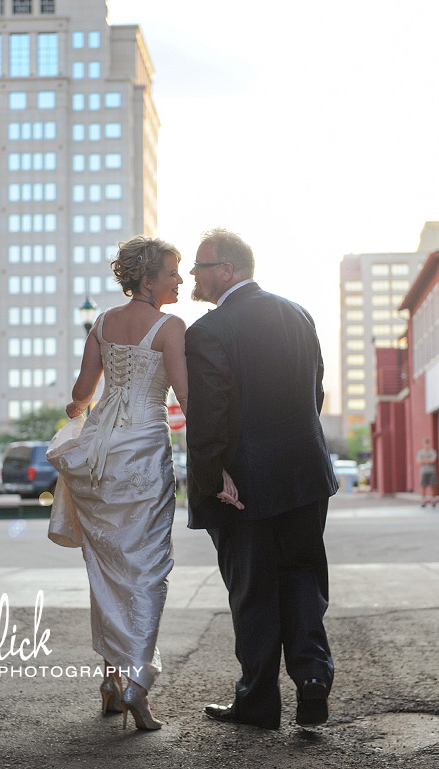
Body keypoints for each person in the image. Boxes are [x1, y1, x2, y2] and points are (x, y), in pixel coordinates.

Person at [184, 228, 338, 730]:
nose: (194, 276)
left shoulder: (208, 330)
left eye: (200, 267)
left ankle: (257, 702)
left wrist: (212, 475)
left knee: (252, 590)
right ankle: (313, 681)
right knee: (302, 577)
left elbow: (210, 413)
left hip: (243, 485)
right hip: (305, 475)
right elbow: (314, 392)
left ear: (226, 271)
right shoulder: (298, 313)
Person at [46, 236, 188, 731]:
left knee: (107, 567)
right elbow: (186, 400)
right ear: (147, 280)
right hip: (144, 454)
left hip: (101, 459)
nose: (180, 280)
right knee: (145, 568)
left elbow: (82, 391)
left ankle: (111, 681)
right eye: (172, 272)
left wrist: (76, 410)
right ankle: (135, 686)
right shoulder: (171, 328)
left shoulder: (102, 322)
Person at [417, 438, 437, 508]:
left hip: (432, 471)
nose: (426, 445)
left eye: (428, 444)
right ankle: (423, 501)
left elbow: (433, 460)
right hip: (423, 472)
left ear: (429, 444)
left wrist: (424, 460)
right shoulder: (420, 452)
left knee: (432, 486)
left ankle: (433, 500)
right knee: (423, 486)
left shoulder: (433, 452)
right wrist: (428, 460)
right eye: (425, 444)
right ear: (423, 444)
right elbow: (419, 462)